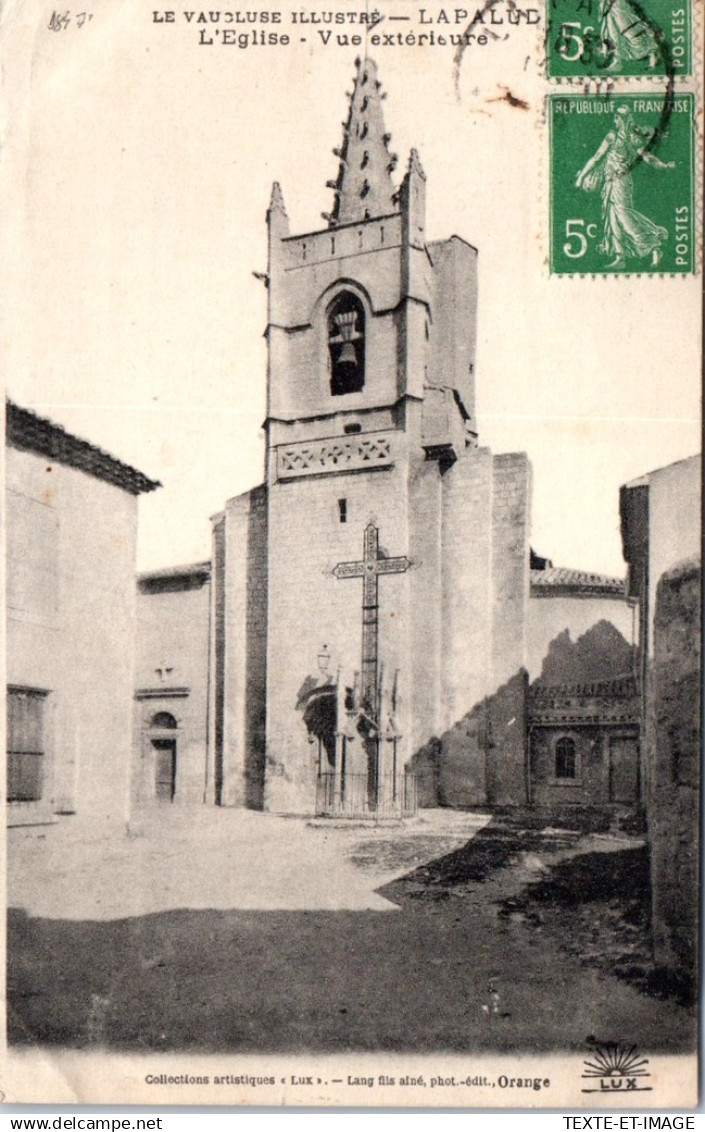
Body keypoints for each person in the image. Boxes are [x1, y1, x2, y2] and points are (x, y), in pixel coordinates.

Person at [575, 105, 674, 269]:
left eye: (616, 118)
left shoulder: (626, 138)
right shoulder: (615, 137)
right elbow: (597, 158)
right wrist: (582, 176)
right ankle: (620, 257)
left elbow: (647, 157)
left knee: (623, 215)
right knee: (612, 217)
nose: (614, 120)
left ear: (622, 119)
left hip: (621, 181)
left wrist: (663, 166)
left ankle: (653, 245)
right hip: (609, 182)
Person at [598, 0, 661, 69]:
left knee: (630, 32)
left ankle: (653, 54)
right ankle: (616, 59)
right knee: (616, 35)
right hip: (611, 9)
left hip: (619, 7)